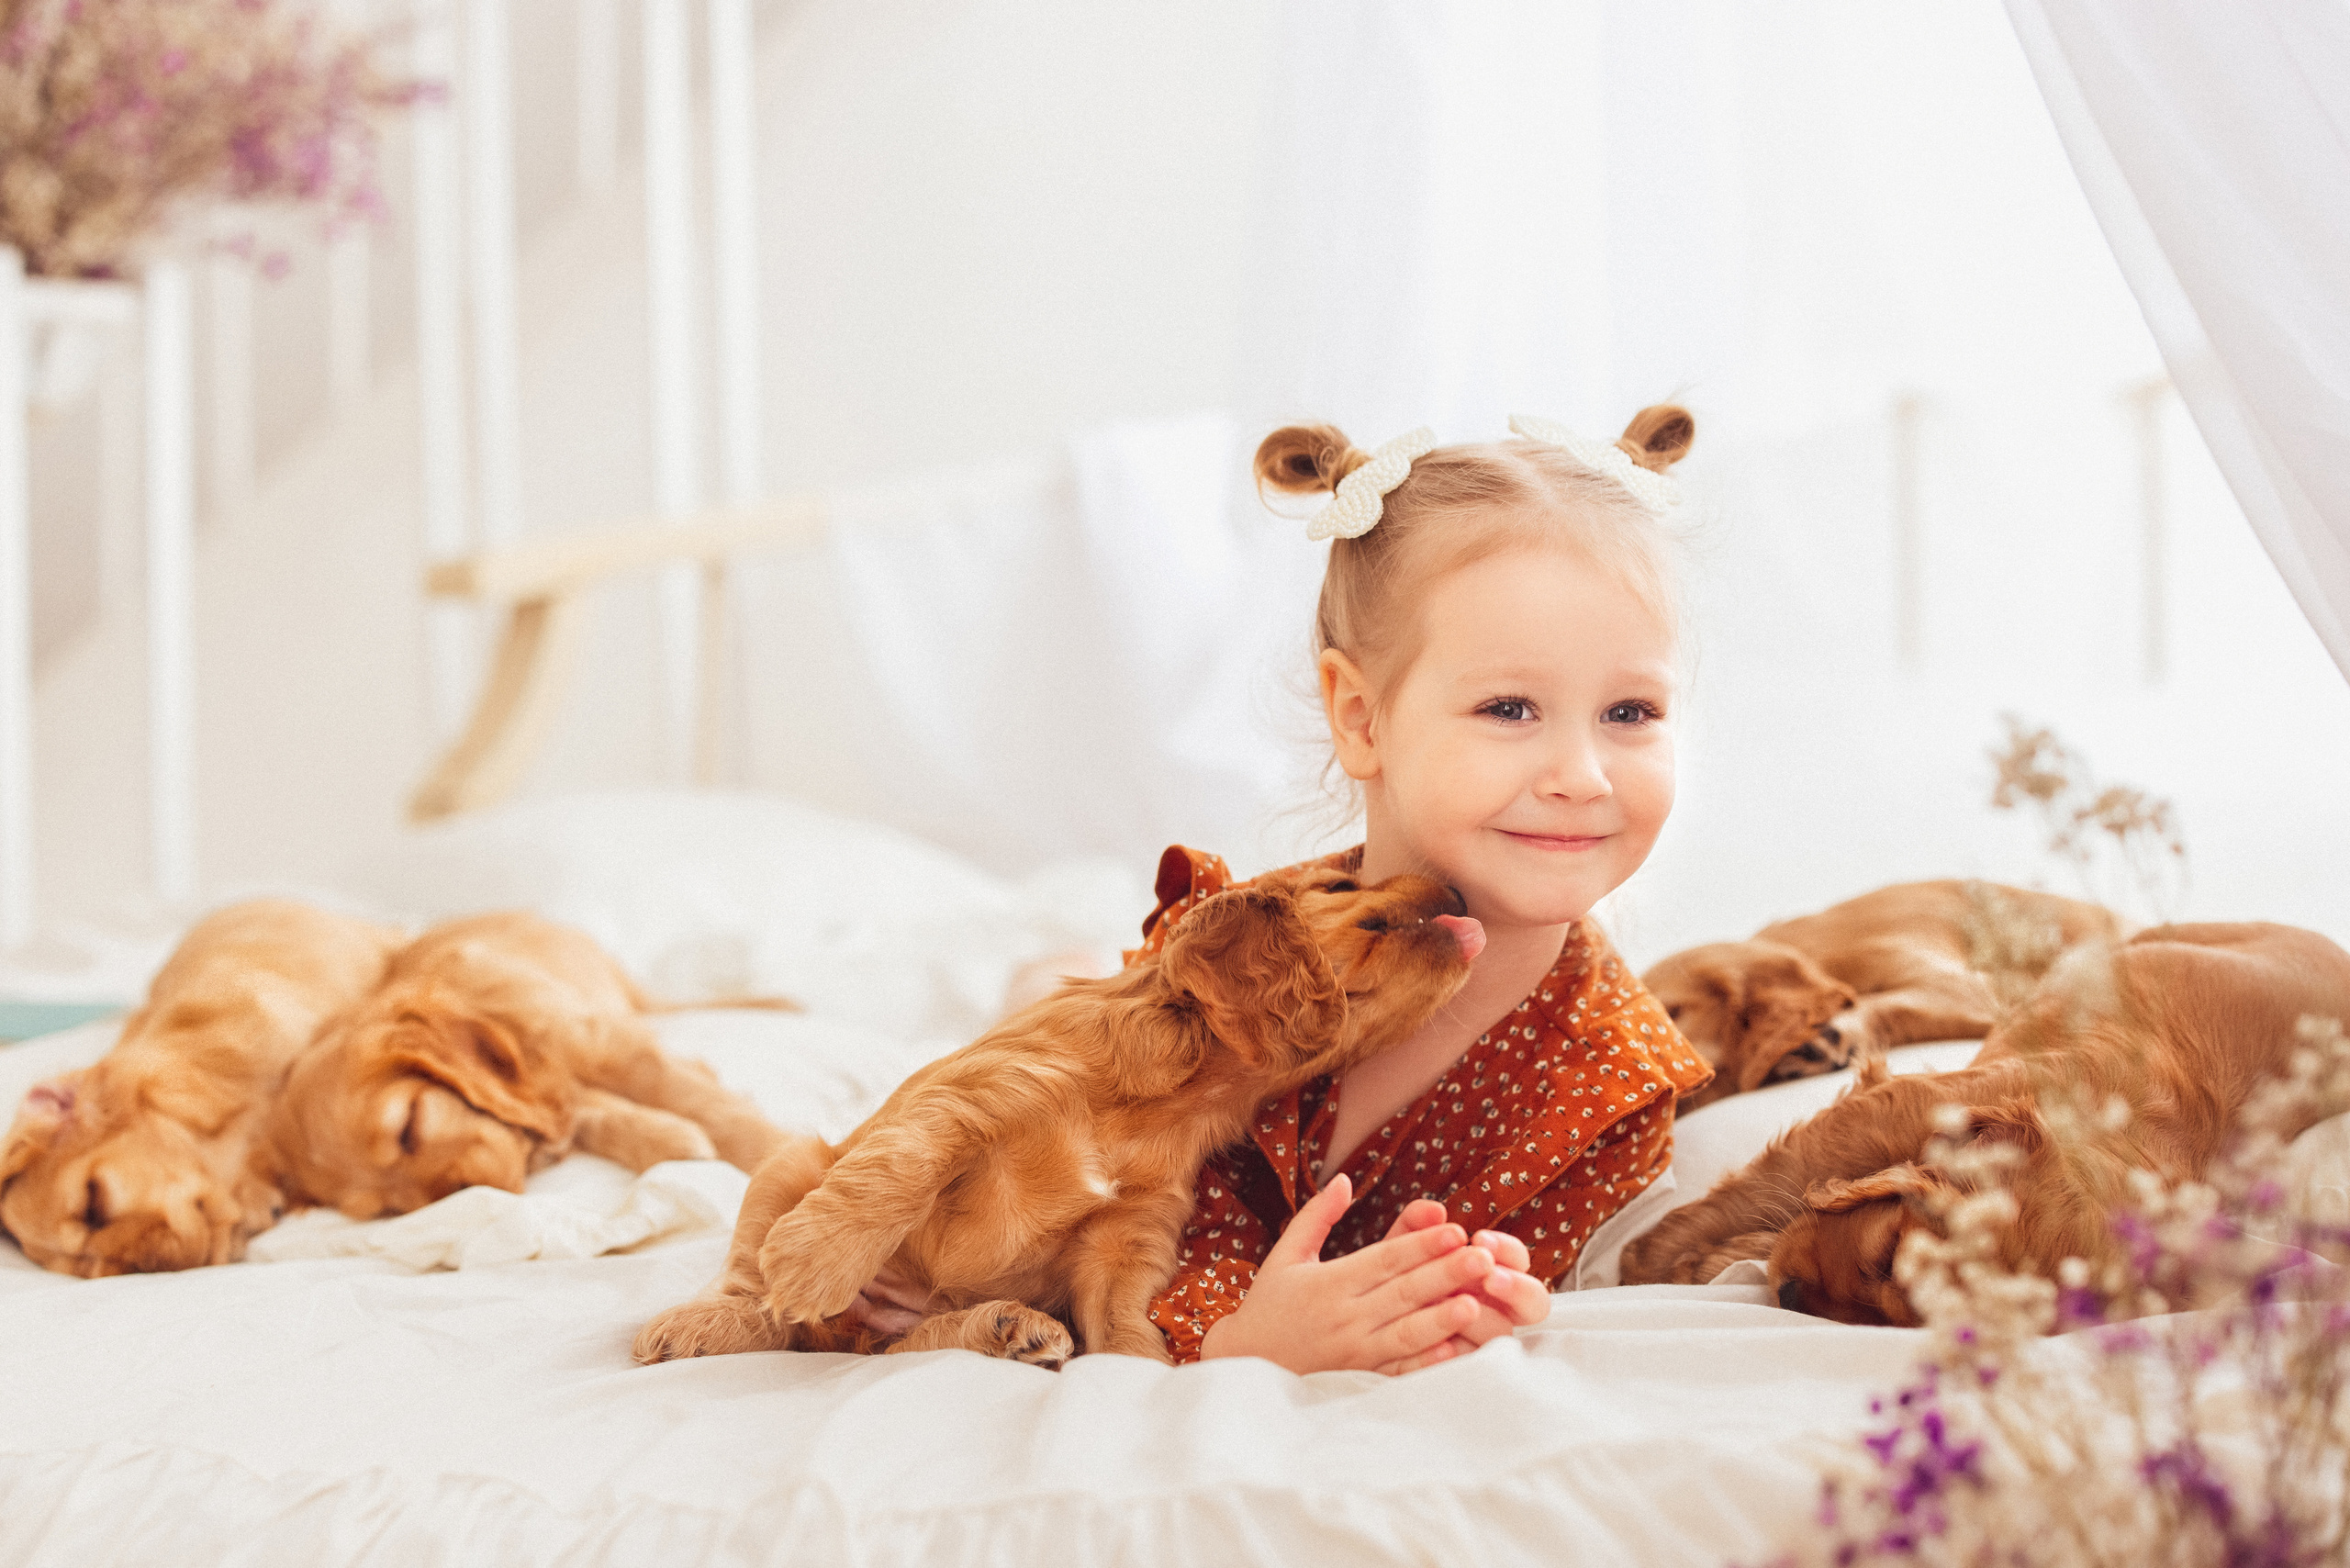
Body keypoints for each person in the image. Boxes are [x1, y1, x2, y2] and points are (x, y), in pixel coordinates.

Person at [867, 408, 1715, 1373]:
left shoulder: (1616, 1088)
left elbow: (1467, 1291)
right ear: (1360, 717)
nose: (1582, 773)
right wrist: (1231, 1330)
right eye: (1509, 708)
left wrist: (1443, 1304)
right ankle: (1049, 974)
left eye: (1630, 712)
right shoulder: (1248, 952)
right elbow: (1134, 1170)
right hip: (1120, 1100)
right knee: (1059, 1034)